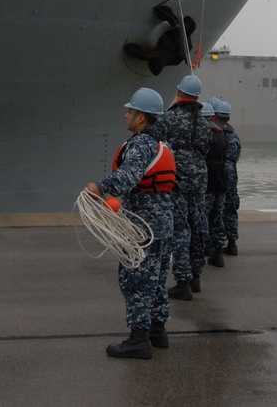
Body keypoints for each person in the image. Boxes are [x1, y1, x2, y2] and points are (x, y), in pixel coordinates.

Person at [85, 87, 176, 359]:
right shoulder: (162, 144)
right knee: (157, 280)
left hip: (141, 226)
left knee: (135, 280)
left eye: (130, 111)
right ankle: (157, 331)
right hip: (162, 224)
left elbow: (127, 177)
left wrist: (98, 188)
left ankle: (138, 339)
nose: (126, 115)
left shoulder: (140, 145)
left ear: (140, 117)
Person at [156, 74, 211, 300]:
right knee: (198, 226)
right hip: (199, 178)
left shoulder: (169, 118)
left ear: (179, 92)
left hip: (176, 177)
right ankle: (196, 276)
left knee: (180, 229)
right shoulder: (205, 122)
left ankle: (183, 281)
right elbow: (206, 149)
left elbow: (157, 143)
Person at [214, 101, 242, 255]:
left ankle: (215, 243)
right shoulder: (234, 136)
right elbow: (237, 156)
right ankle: (232, 242)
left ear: (215, 116)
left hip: (217, 171)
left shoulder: (215, 135)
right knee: (230, 208)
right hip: (231, 173)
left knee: (216, 207)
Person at [203, 102, 227, 268]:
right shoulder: (221, 133)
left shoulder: (203, 134)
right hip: (221, 179)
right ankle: (217, 252)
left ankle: (203, 248)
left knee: (202, 217)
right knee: (217, 217)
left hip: (207, 181)